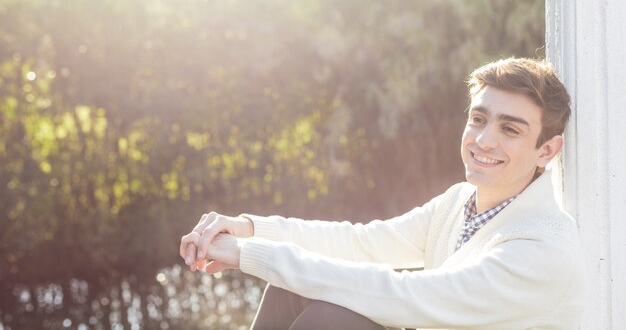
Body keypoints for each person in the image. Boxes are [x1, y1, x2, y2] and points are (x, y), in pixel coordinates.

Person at [179, 57, 586, 330]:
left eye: (510, 129)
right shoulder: (459, 202)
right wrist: (250, 231)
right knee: (293, 287)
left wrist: (250, 257)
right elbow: (361, 244)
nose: (483, 140)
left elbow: (412, 296)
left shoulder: (541, 247)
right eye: (478, 119)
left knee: (327, 320)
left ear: (546, 151)